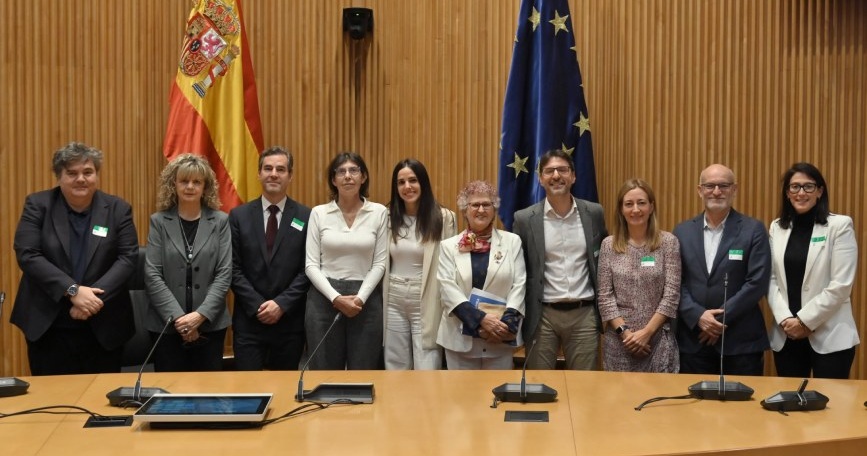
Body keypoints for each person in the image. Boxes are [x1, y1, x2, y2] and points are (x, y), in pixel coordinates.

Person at [12, 142, 138, 375]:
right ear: (59, 176)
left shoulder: (118, 209)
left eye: (88, 172)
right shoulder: (38, 205)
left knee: (101, 401)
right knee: (51, 400)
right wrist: (73, 291)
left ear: (96, 175)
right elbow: (27, 254)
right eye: (72, 173)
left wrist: (90, 300)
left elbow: (128, 257)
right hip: (49, 324)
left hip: (103, 324)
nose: (81, 179)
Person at [513, 150, 607, 370]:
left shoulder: (593, 213)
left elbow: (603, 259)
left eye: (562, 170)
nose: (556, 175)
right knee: (539, 383)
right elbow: (519, 269)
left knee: (584, 387)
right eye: (549, 171)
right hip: (542, 316)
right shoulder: (525, 219)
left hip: (584, 314)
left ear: (573, 176)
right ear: (540, 178)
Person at [673, 164, 771, 376]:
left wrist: (717, 321)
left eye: (723, 186)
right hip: (693, 342)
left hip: (740, 344)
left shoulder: (753, 229)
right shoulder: (682, 231)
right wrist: (698, 316)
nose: (716, 191)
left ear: (734, 190)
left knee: (742, 408)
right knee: (693, 407)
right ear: (700, 190)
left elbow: (757, 282)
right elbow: (674, 283)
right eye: (710, 186)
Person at [768, 163, 859, 379]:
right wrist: (786, 320)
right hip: (787, 334)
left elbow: (841, 285)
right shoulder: (776, 227)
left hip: (830, 336)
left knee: (832, 409)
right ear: (787, 193)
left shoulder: (840, 226)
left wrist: (805, 322)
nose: (801, 193)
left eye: (808, 187)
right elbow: (770, 280)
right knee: (789, 408)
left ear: (819, 191)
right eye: (795, 187)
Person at [144, 154, 231, 372]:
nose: (190, 187)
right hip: (166, 325)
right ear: (174, 184)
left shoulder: (220, 221)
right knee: (168, 397)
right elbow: (152, 274)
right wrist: (181, 320)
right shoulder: (159, 221)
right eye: (184, 181)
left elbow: (224, 273)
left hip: (210, 325)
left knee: (208, 395)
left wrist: (199, 317)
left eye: (196, 182)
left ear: (205, 186)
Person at [229, 147, 311, 370]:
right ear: (259, 174)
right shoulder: (239, 216)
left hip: (289, 323)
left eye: (281, 169)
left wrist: (281, 304)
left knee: (284, 393)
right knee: (247, 393)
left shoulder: (306, 216)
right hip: (249, 323)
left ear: (290, 176)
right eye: (268, 168)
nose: (274, 173)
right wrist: (259, 306)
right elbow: (233, 269)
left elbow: (308, 269)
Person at [304, 152, 388, 370]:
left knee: (364, 370)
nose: (348, 176)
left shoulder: (379, 212)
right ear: (333, 180)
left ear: (364, 177)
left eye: (354, 171)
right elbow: (311, 265)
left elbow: (380, 263)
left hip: (366, 300)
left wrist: (359, 299)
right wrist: (336, 298)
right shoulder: (319, 213)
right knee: (324, 373)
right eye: (341, 171)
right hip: (324, 299)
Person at [437, 180, 526, 370]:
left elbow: (519, 284)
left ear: (494, 209)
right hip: (459, 340)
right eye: (474, 204)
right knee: (460, 399)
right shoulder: (448, 246)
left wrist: (505, 324)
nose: (481, 209)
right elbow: (447, 289)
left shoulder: (512, 242)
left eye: (486, 204)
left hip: (499, 339)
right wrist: (481, 320)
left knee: (498, 396)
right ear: (465, 210)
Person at [597, 179, 680, 372]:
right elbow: (605, 297)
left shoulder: (668, 242)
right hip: (619, 343)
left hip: (657, 340)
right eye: (629, 204)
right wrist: (626, 334)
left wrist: (647, 333)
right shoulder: (608, 245)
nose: (636, 209)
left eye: (641, 202)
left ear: (651, 206)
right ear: (621, 209)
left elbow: (671, 295)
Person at [383, 159, 457, 370]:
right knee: (395, 366)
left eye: (413, 180)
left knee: (427, 365)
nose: (407, 187)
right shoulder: (387, 217)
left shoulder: (444, 218)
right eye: (401, 182)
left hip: (427, 297)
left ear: (423, 182)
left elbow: (450, 267)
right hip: (393, 298)